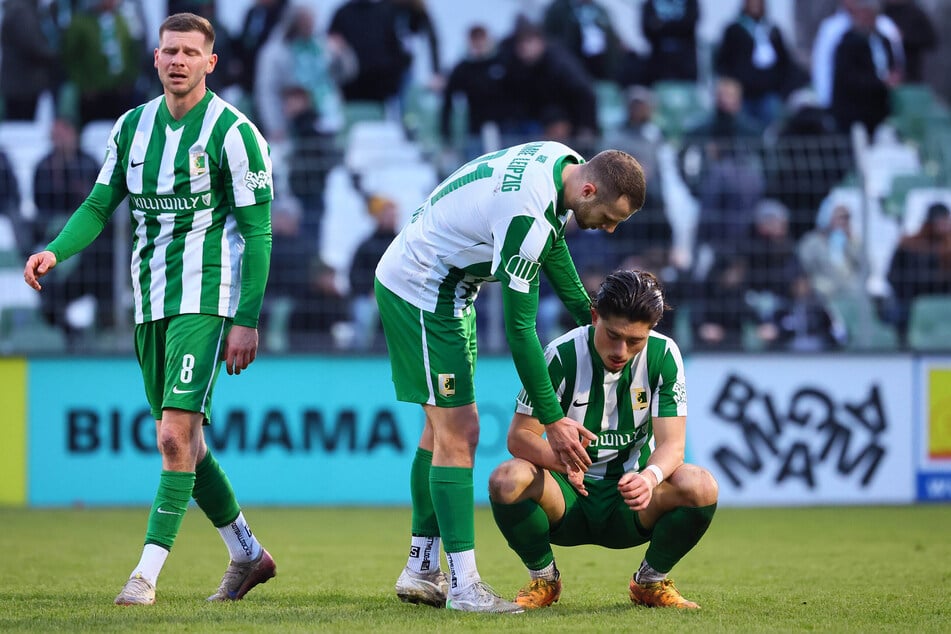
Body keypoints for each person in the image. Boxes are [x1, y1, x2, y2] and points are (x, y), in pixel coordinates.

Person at [23, 12, 276, 606]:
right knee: (187, 446)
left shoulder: (235, 133)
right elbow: (98, 204)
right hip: (150, 302)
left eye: (191, 51)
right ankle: (247, 553)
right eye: (170, 51)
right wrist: (55, 251)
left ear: (210, 63)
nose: (179, 60)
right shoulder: (132, 128)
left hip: (205, 298)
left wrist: (246, 317)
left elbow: (258, 233)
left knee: (172, 436)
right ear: (156, 59)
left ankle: (145, 577)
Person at [375, 142, 645, 613]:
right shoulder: (527, 218)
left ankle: (421, 568)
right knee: (461, 432)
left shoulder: (561, 164)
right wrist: (554, 418)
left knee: (439, 432)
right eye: (609, 215)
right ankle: (463, 587)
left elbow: (555, 247)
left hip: (450, 287)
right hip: (424, 288)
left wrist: (593, 315)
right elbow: (521, 330)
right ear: (588, 188)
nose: (611, 227)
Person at [488, 269, 717, 610]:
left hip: (630, 503)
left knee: (701, 485)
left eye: (635, 340)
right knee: (507, 479)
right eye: (612, 335)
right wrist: (562, 461)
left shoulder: (664, 356)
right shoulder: (561, 355)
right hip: (567, 497)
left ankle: (650, 582)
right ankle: (544, 579)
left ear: (651, 330)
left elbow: (673, 445)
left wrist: (648, 478)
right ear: (595, 316)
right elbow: (520, 437)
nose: (621, 351)